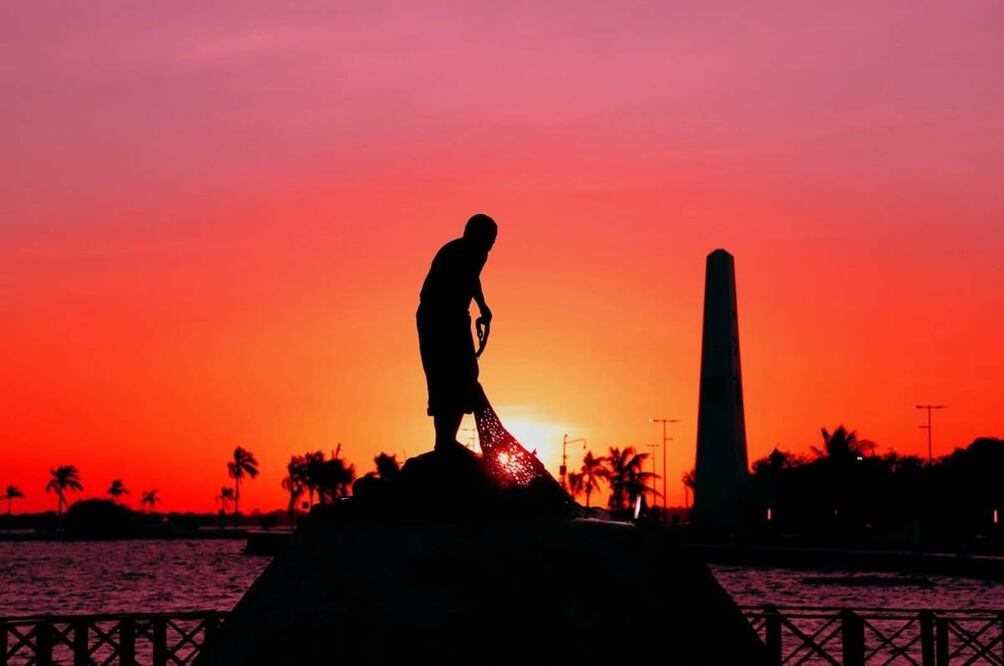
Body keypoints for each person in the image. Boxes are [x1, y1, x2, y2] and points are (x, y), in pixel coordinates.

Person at [417, 214, 497, 452]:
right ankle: (444, 441)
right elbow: (469, 278)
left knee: (466, 373)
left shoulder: (478, 254)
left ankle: (447, 439)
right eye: (489, 239)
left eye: (493, 240)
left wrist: (483, 307)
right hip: (436, 318)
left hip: (456, 317)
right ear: (474, 234)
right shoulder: (457, 251)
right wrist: (482, 307)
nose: (491, 245)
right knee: (446, 375)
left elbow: (473, 280)